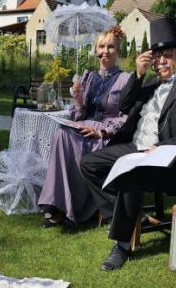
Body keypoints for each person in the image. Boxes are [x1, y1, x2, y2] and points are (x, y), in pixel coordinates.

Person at [80, 17, 176, 271]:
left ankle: (121, 245)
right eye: (156, 56)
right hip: (135, 148)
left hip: (170, 160)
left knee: (131, 177)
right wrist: (138, 75)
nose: (161, 61)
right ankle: (122, 214)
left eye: (167, 55)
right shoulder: (150, 81)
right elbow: (125, 106)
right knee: (89, 163)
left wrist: (164, 146)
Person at [38, 27, 131, 228]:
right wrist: (79, 99)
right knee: (62, 135)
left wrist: (102, 131)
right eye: (102, 46)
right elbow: (80, 114)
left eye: (111, 47)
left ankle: (75, 209)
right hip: (84, 126)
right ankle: (58, 205)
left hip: (105, 133)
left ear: (118, 50)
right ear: (96, 50)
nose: (106, 51)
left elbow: (126, 117)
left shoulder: (126, 79)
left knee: (72, 143)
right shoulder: (88, 77)